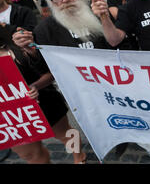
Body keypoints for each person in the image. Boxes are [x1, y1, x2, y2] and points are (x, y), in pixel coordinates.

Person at [1, 25, 86, 164]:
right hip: (10, 117)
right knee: (30, 154)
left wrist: (35, 86)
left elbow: (52, 72)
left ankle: (80, 157)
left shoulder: (16, 42)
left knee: (66, 135)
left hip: (45, 102)